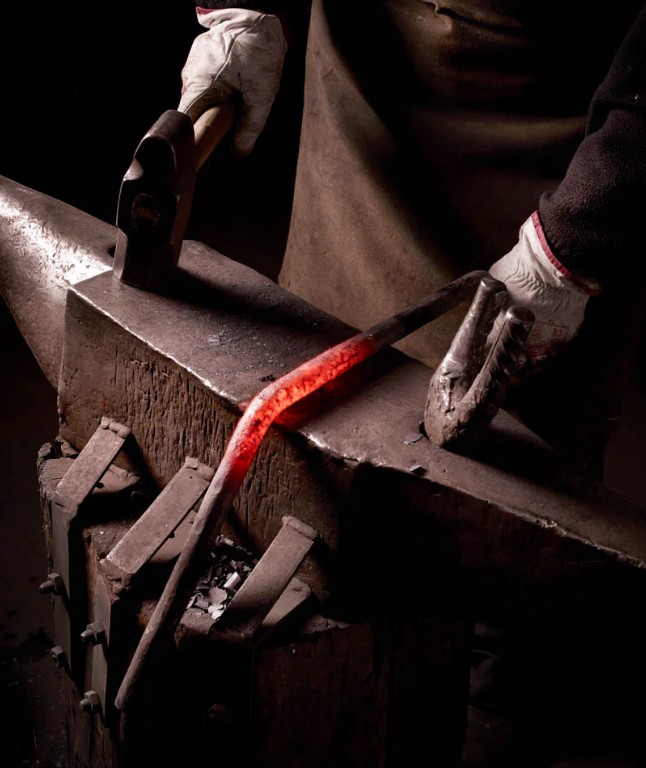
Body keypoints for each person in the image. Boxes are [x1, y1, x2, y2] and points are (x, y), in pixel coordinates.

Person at [177, 2, 646, 765]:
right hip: (367, 97)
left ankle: (496, 708)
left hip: (563, 128)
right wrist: (243, 9)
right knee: (323, 452)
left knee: (508, 521)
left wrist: (575, 240)